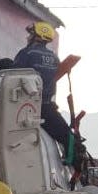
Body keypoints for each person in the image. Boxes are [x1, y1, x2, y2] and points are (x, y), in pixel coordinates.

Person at [13, 22, 73, 154]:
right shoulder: (54, 57)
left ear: (37, 37)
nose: (27, 38)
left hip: (26, 106)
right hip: (47, 107)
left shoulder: (27, 53)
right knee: (66, 136)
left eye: (30, 34)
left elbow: (14, 76)